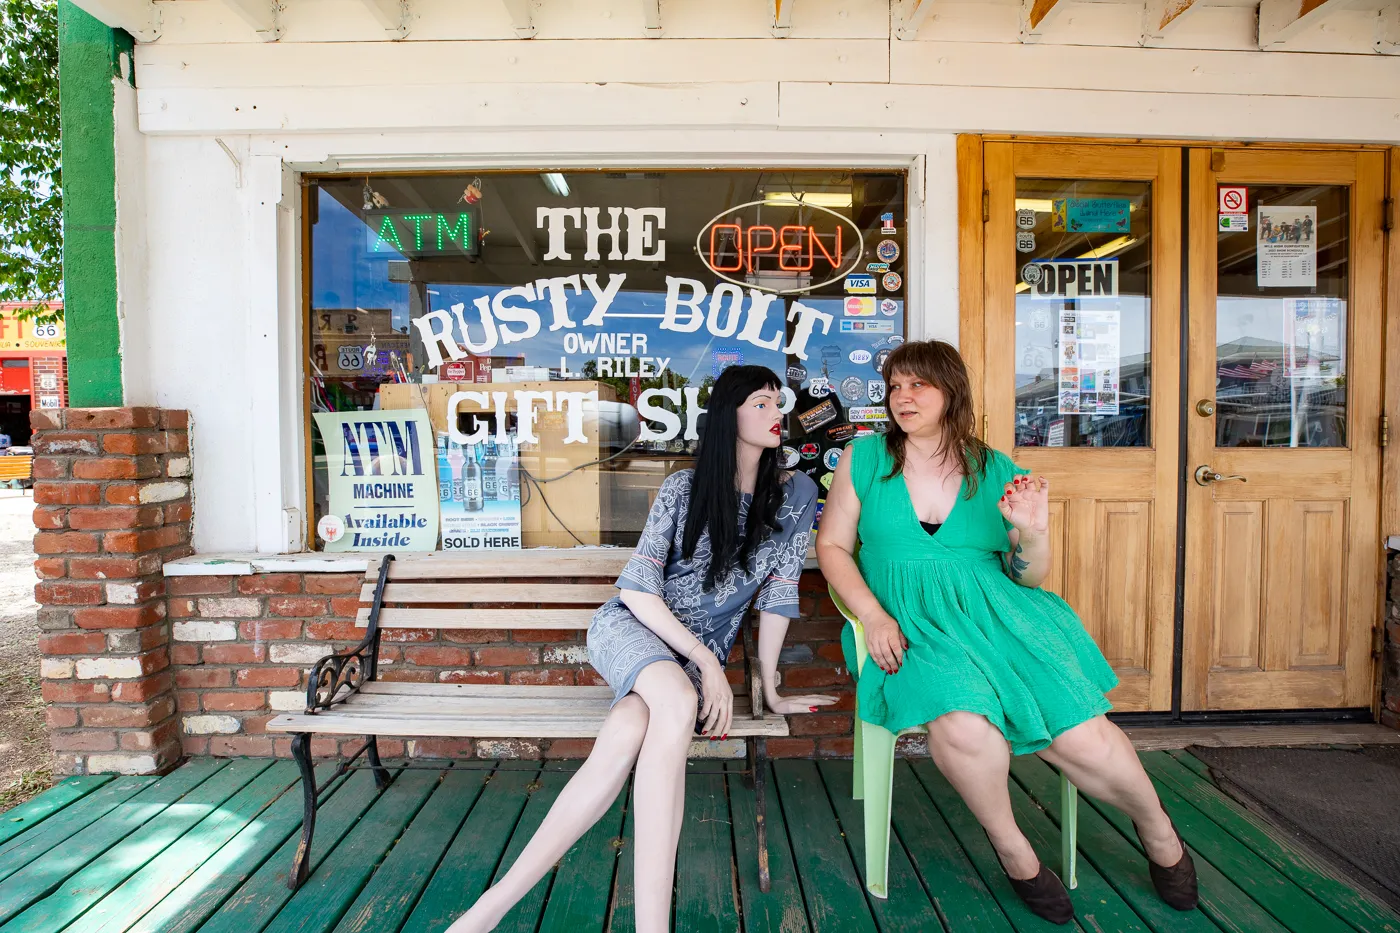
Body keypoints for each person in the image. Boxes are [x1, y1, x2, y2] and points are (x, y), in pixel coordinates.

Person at [816, 340, 1197, 924]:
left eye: (918, 384)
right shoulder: (863, 459)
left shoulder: (995, 468)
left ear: (951, 392)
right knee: (964, 724)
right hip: (911, 625)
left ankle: (1158, 831)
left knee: (1081, 736)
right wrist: (871, 613)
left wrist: (1034, 534)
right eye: (895, 386)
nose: (902, 397)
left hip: (1003, 618)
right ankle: (1014, 849)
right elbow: (834, 546)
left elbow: (1027, 575)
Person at [448, 365, 834, 933]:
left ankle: (487, 912)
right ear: (727, 417)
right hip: (632, 628)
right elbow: (636, 590)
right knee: (676, 701)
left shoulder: (797, 494)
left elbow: (778, 594)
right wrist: (707, 663)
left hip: (691, 655)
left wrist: (769, 689)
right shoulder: (685, 487)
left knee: (631, 727)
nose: (776, 413)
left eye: (779, 402)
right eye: (760, 403)